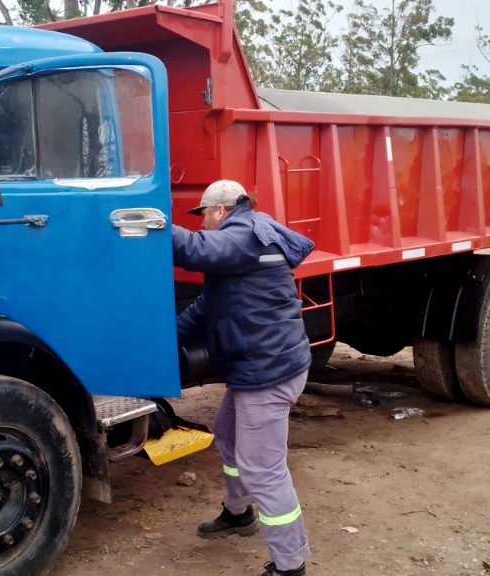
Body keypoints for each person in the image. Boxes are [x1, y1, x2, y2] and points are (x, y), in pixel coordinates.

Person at [173, 180, 315, 576]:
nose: (201, 224)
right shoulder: (245, 244)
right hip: (259, 367)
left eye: (202, 214)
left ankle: (291, 565)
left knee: (264, 470)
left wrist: (152, 225)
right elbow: (205, 307)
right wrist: (165, 341)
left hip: (267, 372)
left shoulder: (247, 233)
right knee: (228, 434)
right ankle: (238, 514)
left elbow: (195, 249)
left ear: (220, 210)